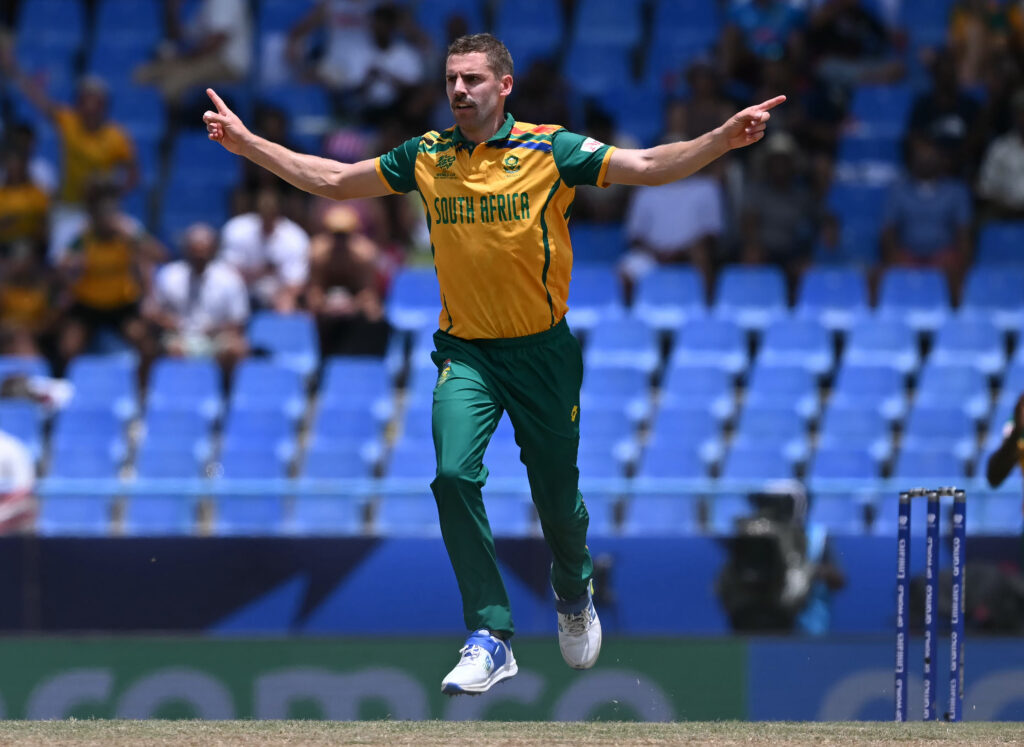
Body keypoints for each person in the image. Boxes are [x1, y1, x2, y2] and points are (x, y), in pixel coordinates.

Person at [203, 32, 783, 695]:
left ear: (504, 86)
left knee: (557, 500)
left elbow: (647, 165)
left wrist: (721, 140)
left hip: (542, 353)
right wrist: (247, 144)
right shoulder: (427, 154)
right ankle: (490, 632)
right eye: (451, 78)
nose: (459, 89)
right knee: (452, 474)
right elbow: (335, 181)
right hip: (467, 351)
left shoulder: (550, 148)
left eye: (473, 78)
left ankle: (574, 590)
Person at [143, 223, 249, 380]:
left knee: (236, 348)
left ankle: (226, 392)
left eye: (204, 252)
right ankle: (181, 390)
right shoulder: (169, 275)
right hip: (178, 335)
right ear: (186, 251)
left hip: (217, 336)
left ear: (213, 251)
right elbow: (152, 312)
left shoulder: (230, 278)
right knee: (167, 348)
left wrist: (216, 329)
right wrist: (169, 322)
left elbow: (238, 321)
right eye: (195, 252)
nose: (199, 257)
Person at [134, 0, 252, 110]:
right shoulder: (202, 4)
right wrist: (173, 10)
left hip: (227, 63)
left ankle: (173, 125)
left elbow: (217, 40)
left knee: (173, 83)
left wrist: (183, 58)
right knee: (142, 74)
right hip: (202, 58)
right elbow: (184, 39)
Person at [306, 205, 390, 356]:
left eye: (344, 236)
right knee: (308, 312)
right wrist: (325, 305)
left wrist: (351, 305)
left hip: (355, 300)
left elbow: (369, 292)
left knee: (374, 312)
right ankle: (319, 358)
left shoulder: (365, 255)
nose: (340, 241)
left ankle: (370, 356)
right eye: (336, 235)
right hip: (327, 301)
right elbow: (315, 289)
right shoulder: (317, 254)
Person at [219, 187, 311, 313]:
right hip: (243, 290)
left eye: (272, 213)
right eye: (264, 213)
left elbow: (296, 282)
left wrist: (282, 297)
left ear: (278, 213)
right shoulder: (237, 229)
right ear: (258, 211)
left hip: (278, 293)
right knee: (227, 289)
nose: (268, 218)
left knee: (287, 304)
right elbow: (227, 272)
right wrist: (260, 272)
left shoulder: (295, 238)